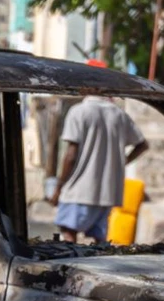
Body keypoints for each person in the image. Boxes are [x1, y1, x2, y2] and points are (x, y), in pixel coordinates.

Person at [47, 95, 146, 243]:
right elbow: (142, 145)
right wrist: (121, 162)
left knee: (68, 234)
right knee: (99, 242)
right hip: (107, 193)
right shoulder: (119, 115)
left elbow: (71, 156)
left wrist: (58, 188)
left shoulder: (79, 111)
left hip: (78, 191)